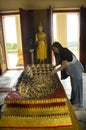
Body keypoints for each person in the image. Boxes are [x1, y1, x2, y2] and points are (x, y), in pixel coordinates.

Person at [51, 41, 84, 107]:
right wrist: (55, 66)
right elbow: (61, 62)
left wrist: (55, 71)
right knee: (74, 86)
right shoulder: (61, 52)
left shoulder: (64, 51)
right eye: (53, 50)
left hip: (76, 70)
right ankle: (74, 100)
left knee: (77, 87)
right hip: (73, 72)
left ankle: (78, 103)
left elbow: (64, 65)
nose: (54, 51)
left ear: (58, 47)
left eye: (55, 49)